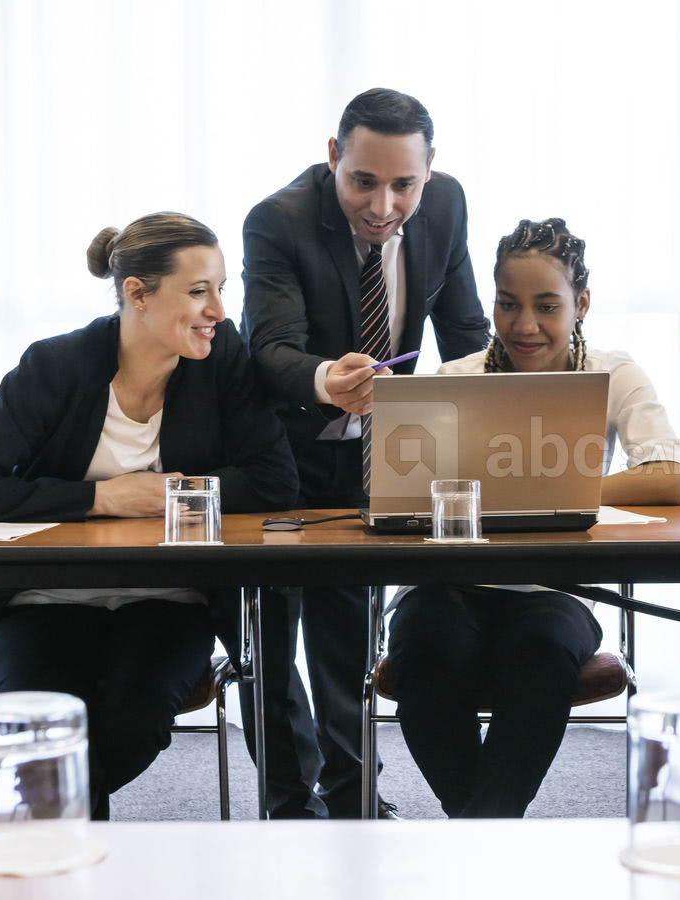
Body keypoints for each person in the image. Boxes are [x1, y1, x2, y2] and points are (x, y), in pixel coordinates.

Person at [0, 213, 298, 819]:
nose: (217, 310)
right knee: (45, 728)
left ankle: (65, 840)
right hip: (39, 599)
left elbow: (274, 481)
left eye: (221, 289)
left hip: (169, 598)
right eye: (198, 291)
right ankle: (81, 846)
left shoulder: (222, 358)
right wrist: (103, 498)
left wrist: (171, 493)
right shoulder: (55, 365)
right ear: (137, 293)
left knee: (128, 724)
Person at [241, 87, 489, 818]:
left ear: (430, 169)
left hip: (379, 455)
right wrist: (327, 379)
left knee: (347, 635)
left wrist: (490, 422)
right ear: (332, 157)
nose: (384, 206)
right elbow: (270, 347)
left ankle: (351, 801)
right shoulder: (278, 221)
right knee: (272, 639)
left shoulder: (446, 206)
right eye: (363, 181)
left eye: (403, 184)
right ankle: (290, 805)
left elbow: (466, 334)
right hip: (282, 450)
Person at [387, 217, 680, 817]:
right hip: (449, 583)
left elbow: (669, 476)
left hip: (558, 590)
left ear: (581, 304)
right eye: (508, 304)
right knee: (427, 648)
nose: (525, 325)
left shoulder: (613, 373)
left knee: (541, 655)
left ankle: (478, 833)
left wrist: (554, 487)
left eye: (547, 306)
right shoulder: (454, 379)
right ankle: (489, 831)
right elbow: (405, 496)